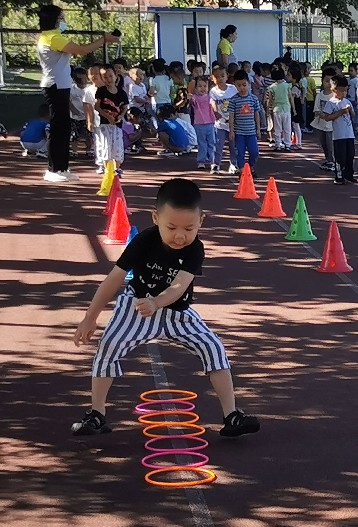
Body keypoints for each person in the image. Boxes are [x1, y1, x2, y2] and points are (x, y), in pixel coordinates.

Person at [71, 178, 260, 437]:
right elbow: (114, 278)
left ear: (201, 222)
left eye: (189, 228)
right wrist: (90, 318)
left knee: (214, 348)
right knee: (109, 346)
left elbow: (179, 287)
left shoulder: (195, 249)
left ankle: (232, 415)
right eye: (171, 227)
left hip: (177, 311)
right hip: (137, 305)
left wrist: (157, 302)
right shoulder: (144, 241)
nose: (180, 236)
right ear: (156, 218)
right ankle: (96, 414)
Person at [36, 4, 118, 182]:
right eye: (60, 17)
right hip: (55, 86)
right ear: (54, 19)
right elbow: (82, 50)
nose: (63, 20)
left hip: (61, 86)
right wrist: (103, 39)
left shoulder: (52, 37)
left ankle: (62, 168)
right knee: (58, 127)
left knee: (64, 127)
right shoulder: (52, 38)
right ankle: (53, 169)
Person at [227, 69, 264, 178]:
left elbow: (256, 114)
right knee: (240, 152)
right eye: (239, 85)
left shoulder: (253, 99)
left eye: (244, 85)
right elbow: (231, 116)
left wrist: (258, 129)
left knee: (254, 151)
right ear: (235, 85)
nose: (242, 88)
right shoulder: (233, 100)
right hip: (239, 132)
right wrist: (231, 131)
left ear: (248, 83)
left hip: (251, 132)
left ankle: (250, 167)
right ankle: (242, 170)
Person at [320, 75, 357, 184]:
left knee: (350, 155)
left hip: (349, 134)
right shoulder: (331, 103)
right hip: (339, 135)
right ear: (334, 90)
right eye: (341, 91)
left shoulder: (347, 101)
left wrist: (350, 111)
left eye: (345, 91)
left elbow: (353, 115)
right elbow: (327, 117)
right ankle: (339, 176)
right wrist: (340, 112)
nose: (344, 93)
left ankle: (349, 174)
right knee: (341, 156)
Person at [93, 65, 128, 174]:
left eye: (110, 76)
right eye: (105, 77)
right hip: (105, 124)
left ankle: (116, 168)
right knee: (106, 145)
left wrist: (121, 115)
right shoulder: (101, 91)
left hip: (117, 124)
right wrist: (107, 116)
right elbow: (97, 106)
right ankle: (107, 168)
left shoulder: (121, 92)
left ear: (115, 76)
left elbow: (125, 107)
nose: (109, 79)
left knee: (117, 145)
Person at [209, 64, 238, 173]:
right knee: (218, 145)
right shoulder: (213, 91)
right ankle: (216, 164)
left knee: (233, 145)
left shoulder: (233, 89)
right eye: (216, 77)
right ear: (212, 78)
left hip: (232, 123)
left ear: (227, 76)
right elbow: (212, 102)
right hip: (220, 124)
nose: (220, 79)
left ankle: (233, 164)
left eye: (222, 76)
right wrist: (215, 111)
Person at [187, 77, 218, 171]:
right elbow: (192, 101)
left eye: (205, 86)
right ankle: (201, 161)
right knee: (202, 143)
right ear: (196, 88)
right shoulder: (195, 98)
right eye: (200, 86)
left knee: (211, 142)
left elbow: (214, 105)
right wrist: (190, 96)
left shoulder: (210, 97)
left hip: (210, 123)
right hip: (199, 124)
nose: (203, 88)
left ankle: (212, 160)